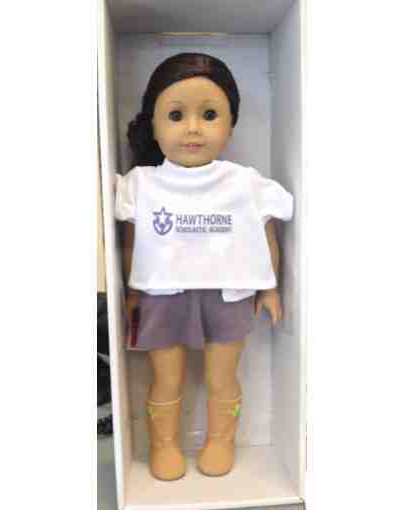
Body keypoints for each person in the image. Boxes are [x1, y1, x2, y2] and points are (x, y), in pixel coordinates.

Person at [114, 53, 293, 481]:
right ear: (154, 124)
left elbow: (265, 234)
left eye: (209, 115)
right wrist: (132, 291)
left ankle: (219, 441)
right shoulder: (141, 183)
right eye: (176, 115)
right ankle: (164, 445)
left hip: (228, 293)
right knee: (166, 378)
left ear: (230, 124)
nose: (193, 128)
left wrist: (269, 288)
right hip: (162, 293)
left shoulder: (246, 183)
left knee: (222, 377)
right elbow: (132, 243)